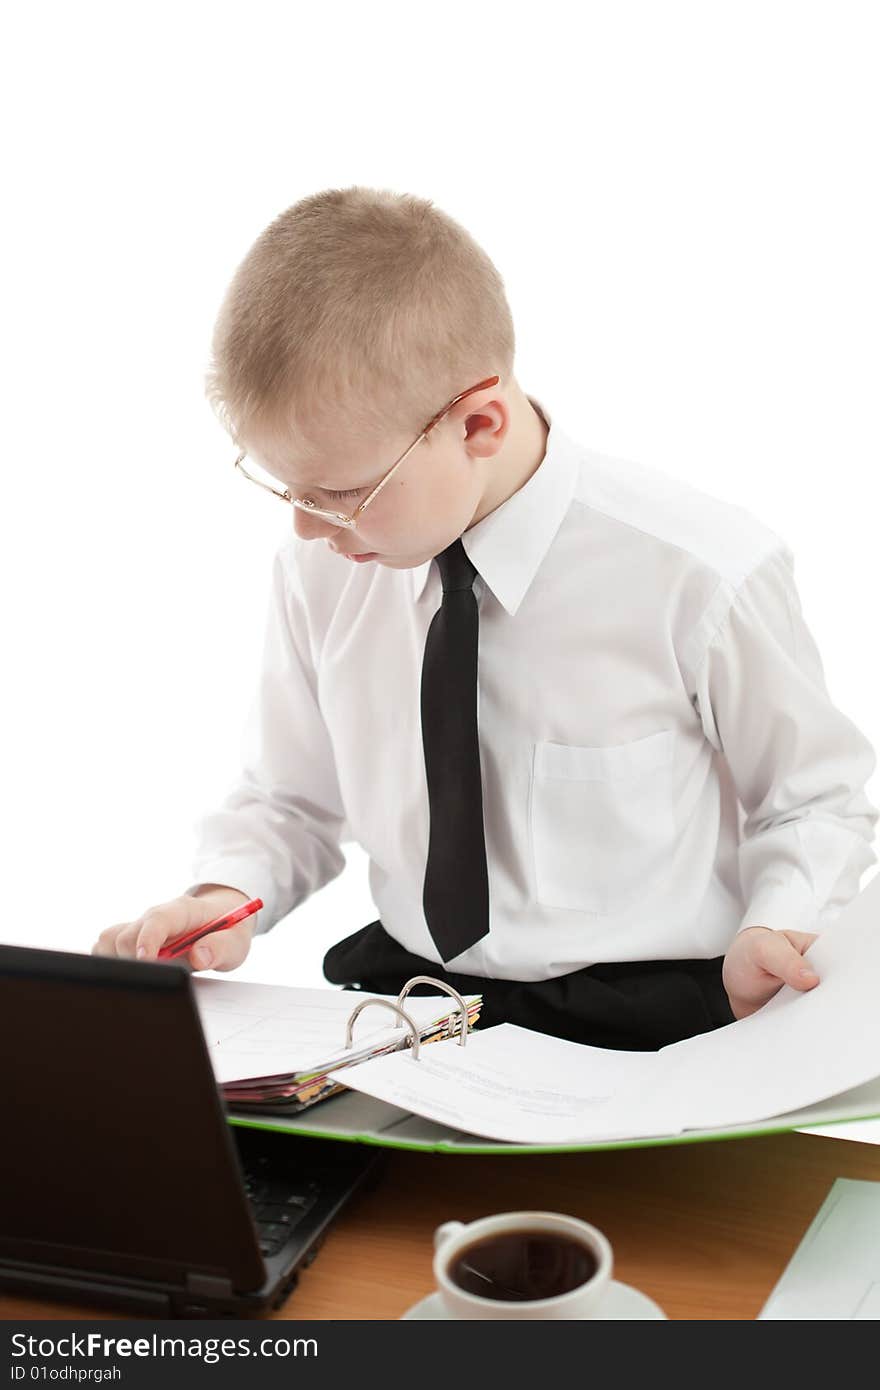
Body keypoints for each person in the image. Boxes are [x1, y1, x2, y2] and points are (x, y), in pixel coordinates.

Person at [93, 185, 878, 1050]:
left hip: (660, 1020)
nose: (306, 526)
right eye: (284, 487)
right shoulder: (322, 570)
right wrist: (220, 898)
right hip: (410, 1006)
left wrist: (782, 919)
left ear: (478, 422)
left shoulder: (700, 573)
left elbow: (818, 797)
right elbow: (289, 800)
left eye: (341, 494)